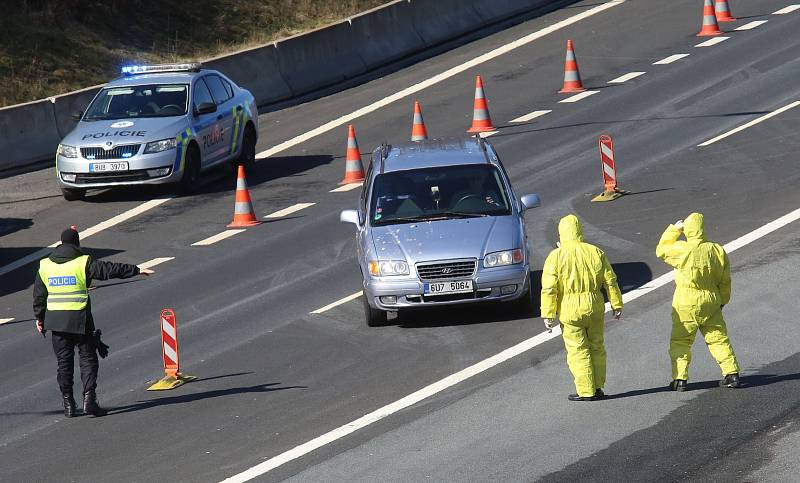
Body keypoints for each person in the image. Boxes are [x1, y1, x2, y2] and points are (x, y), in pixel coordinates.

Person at [33, 228, 154, 417]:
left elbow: (39, 295)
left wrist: (40, 318)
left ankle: (68, 405)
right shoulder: (83, 262)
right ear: (76, 244)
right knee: (88, 358)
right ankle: (89, 400)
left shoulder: (45, 265)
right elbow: (108, 270)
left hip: (56, 322)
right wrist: (136, 270)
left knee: (64, 363)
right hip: (80, 320)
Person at [541, 214, 623, 401]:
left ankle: (586, 391)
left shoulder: (556, 256)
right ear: (580, 231)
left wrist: (548, 314)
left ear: (561, 233)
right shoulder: (595, 252)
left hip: (569, 310)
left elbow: (549, 288)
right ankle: (598, 386)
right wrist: (616, 304)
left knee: (578, 350)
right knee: (597, 346)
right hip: (594, 306)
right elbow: (611, 280)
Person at [656, 213, 740, 391]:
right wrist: (723, 301)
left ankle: (680, 379)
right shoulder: (716, 250)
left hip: (686, 300)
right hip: (711, 300)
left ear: (687, 229)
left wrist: (674, 229)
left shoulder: (683, 249)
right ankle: (731, 374)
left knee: (681, 341)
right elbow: (725, 280)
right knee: (718, 339)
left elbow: (661, 250)